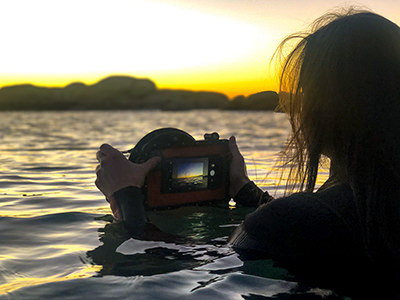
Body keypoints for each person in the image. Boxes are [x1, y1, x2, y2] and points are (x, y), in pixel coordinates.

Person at [95, 8, 400, 297]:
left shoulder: (292, 221)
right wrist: (244, 191)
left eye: (304, 93)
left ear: (333, 107)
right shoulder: (344, 214)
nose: (290, 106)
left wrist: (124, 197)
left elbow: (194, 263)